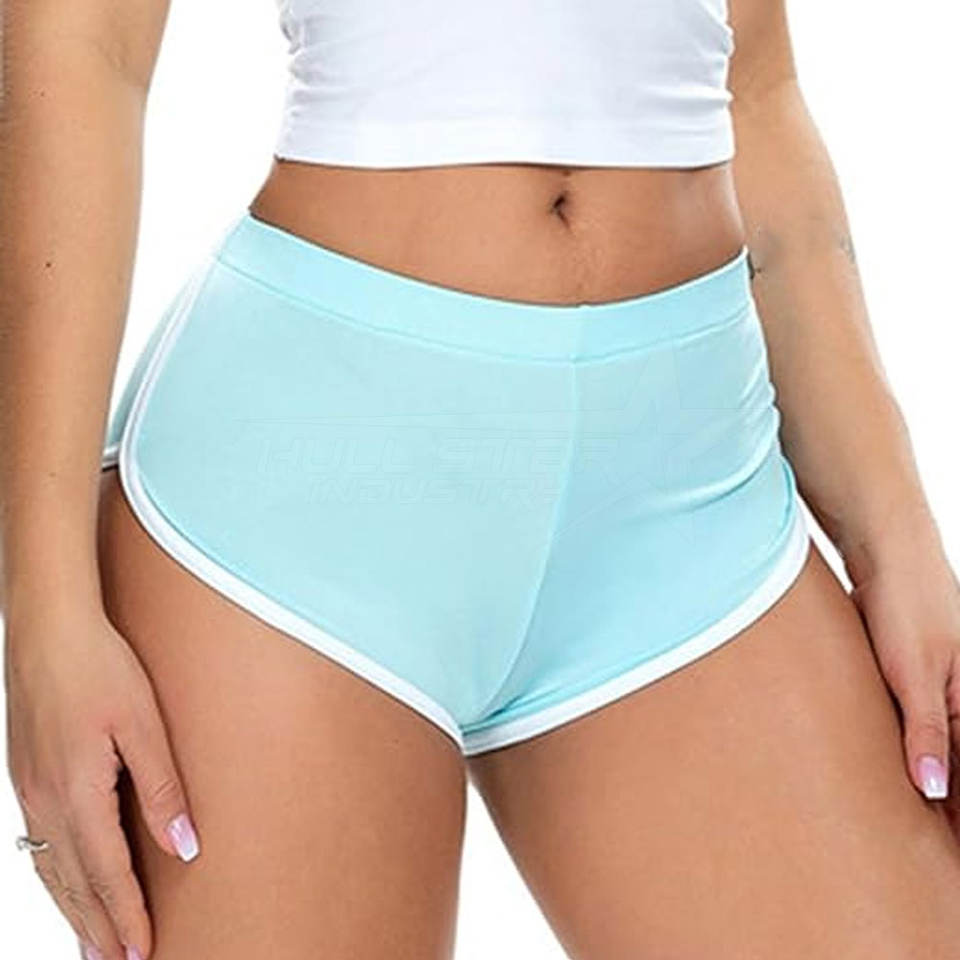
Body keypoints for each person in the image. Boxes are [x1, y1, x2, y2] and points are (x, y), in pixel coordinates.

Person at [3, 1, 960, 958]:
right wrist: (42, 612)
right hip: (305, 498)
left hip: (686, 505)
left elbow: (752, 86)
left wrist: (898, 539)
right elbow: (85, 47)